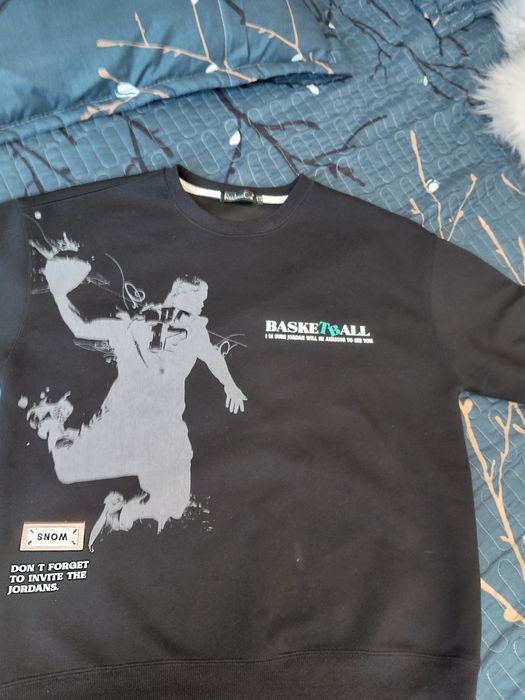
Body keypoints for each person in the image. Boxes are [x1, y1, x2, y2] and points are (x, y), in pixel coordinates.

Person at [27, 255, 247, 543]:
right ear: (181, 295)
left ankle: (114, 511)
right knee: (172, 504)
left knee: (68, 472)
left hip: (139, 423)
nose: (202, 305)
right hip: (148, 426)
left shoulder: (130, 325)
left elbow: (80, 326)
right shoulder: (192, 328)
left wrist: (58, 292)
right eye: (200, 299)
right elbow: (214, 357)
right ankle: (118, 512)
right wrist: (231, 387)